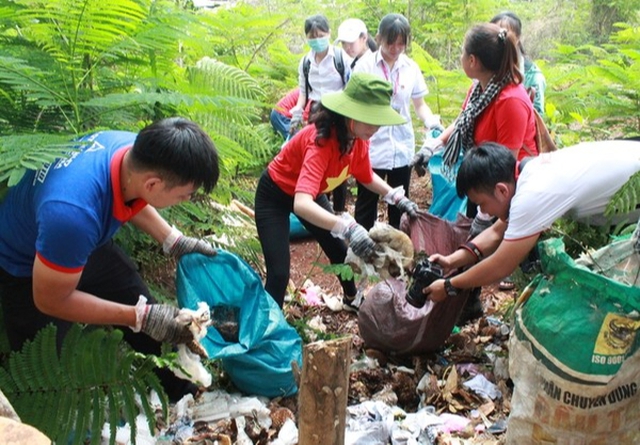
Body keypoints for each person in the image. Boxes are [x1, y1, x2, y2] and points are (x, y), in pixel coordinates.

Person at [0, 117, 220, 402]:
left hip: (80, 244)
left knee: (142, 304)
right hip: (28, 265)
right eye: (183, 195)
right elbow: (49, 299)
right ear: (154, 183)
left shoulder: (133, 151)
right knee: (46, 370)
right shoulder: (72, 214)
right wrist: (136, 316)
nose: (186, 201)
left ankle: (183, 392)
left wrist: (171, 240)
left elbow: (133, 195)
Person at [254, 73, 419, 310]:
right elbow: (301, 203)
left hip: (311, 192)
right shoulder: (321, 142)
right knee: (279, 273)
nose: (376, 128)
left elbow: (366, 175)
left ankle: (352, 300)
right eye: (371, 120)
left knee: (339, 252)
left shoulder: (358, 138)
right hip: (275, 194)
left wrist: (396, 197)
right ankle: (268, 328)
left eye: (378, 121)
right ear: (351, 115)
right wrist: (347, 227)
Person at [422, 141, 640, 303]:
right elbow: (497, 232)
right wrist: (451, 261)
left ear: (501, 190)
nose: (483, 211)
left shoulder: (533, 194)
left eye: (482, 203)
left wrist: (450, 286)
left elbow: (502, 264)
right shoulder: (527, 174)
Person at [352, 13, 441, 230]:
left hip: (401, 146)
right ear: (380, 37)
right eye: (391, 42)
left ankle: (397, 252)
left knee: (399, 202)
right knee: (367, 202)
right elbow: (355, 104)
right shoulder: (365, 66)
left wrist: (431, 121)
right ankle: (361, 249)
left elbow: (419, 104)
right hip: (371, 144)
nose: (396, 48)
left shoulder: (410, 68)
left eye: (401, 43)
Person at [289, 14, 351, 135]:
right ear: (306, 37)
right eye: (312, 37)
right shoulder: (306, 62)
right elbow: (303, 92)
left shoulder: (341, 58)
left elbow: (349, 86)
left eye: (321, 36)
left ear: (329, 33)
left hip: (338, 111)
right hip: (315, 112)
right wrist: (297, 112)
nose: (317, 40)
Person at [490, 11, 546, 115]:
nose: (498, 41)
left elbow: (536, 116)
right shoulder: (486, 68)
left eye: (503, 35)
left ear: (517, 38)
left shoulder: (532, 76)